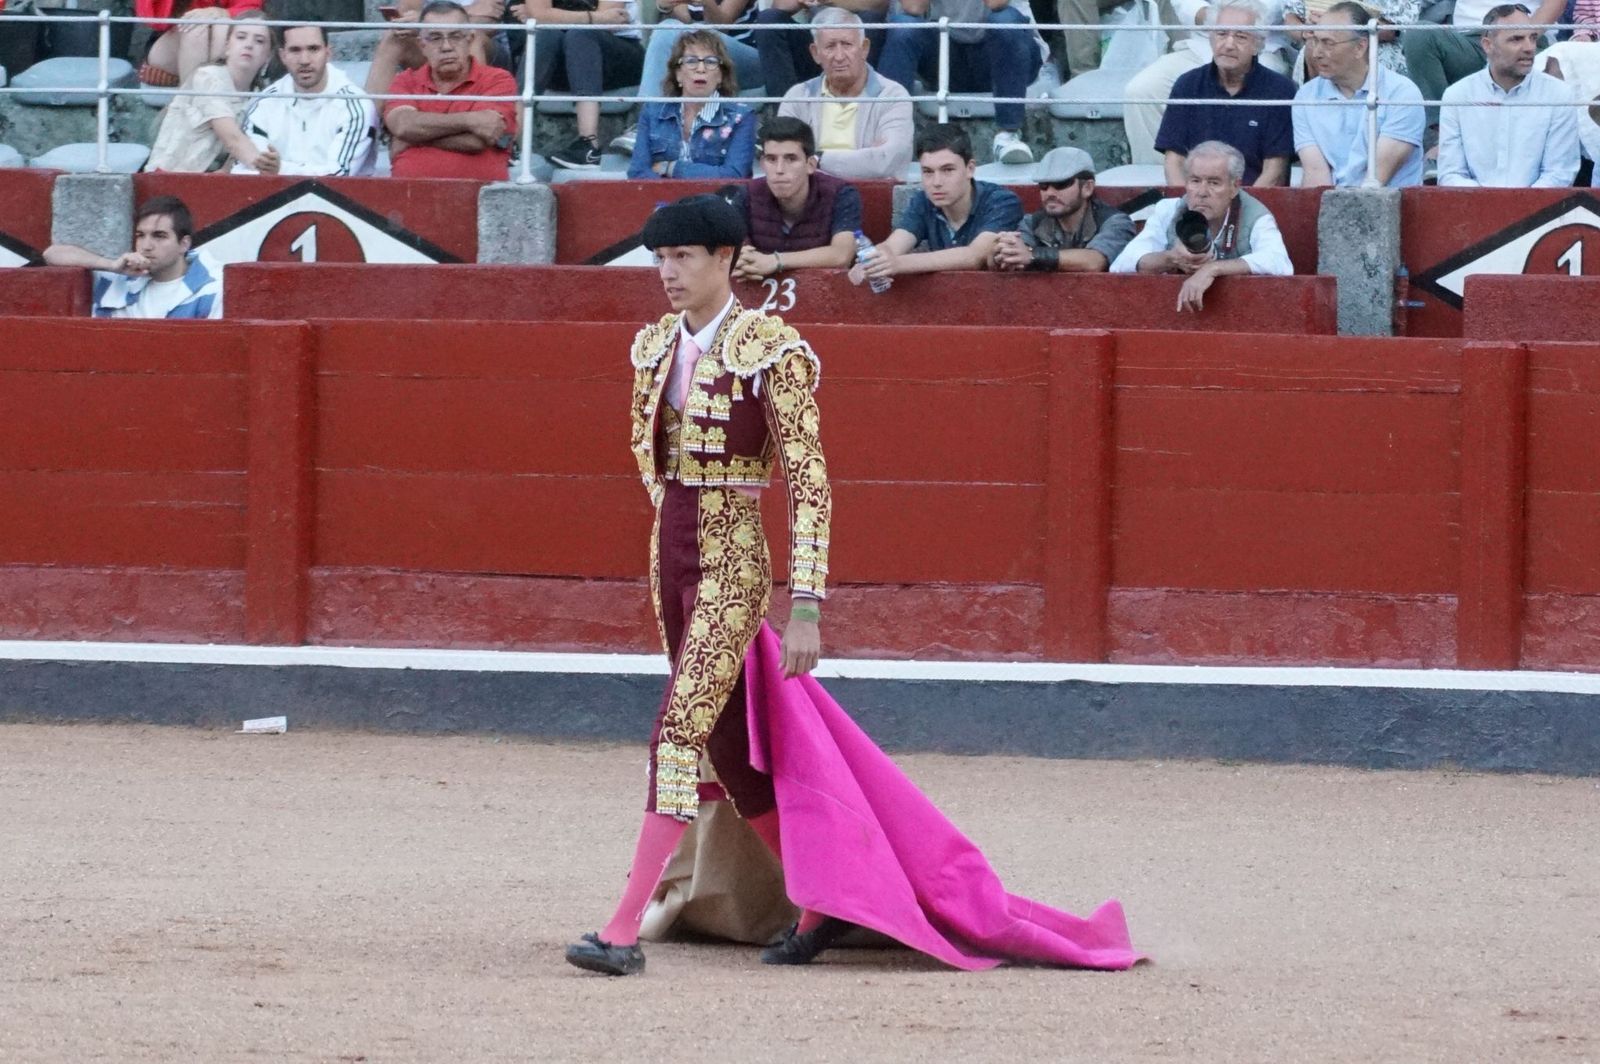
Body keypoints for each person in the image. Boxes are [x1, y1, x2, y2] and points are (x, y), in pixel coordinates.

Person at [563, 191, 1141, 977]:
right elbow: (652, 461)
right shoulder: (654, 346)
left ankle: (621, 931)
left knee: (675, 734)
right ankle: (822, 903)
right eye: (660, 258)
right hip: (669, 550)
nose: (668, 273)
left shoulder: (774, 349)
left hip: (733, 555)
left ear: (726, 260)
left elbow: (810, 484)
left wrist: (806, 605)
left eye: (684, 258)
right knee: (731, 751)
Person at [1110, 141, 1292, 312]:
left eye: (1214, 183)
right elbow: (1121, 264)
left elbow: (1280, 264)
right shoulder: (1169, 210)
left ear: (1234, 187)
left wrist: (1213, 269)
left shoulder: (1256, 215)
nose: (1202, 192)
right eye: (1195, 181)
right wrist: (1172, 258)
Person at [848, 123, 1022, 287]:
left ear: (970, 168)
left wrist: (897, 263)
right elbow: (894, 245)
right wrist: (875, 259)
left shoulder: (1002, 201)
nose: (936, 182)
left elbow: (974, 256)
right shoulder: (923, 201)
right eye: (928, 172)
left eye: (947, 170)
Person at [1123, 0, 1294, 166]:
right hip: (1203, 42)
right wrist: (1212, 16)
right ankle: (1162, 177)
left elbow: (1278, 7)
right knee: (1142, 89)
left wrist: (1235, 15)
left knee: (1267, 83)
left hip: (1261, 47)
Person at [877, 0, 1048, 165]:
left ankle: (1008, 135)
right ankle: (890, 138)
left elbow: (996, 3)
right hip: (949, 55)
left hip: (1010, 55)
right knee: (903, 26)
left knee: (1004, 20)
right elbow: (913, 6)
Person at [1437, 4, 1580, 186]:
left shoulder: (1559, 95)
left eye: (1533, 38)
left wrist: (1516, 206)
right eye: (1516, 39)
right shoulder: (1457, 96)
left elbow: (1559, 174)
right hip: (1476, 209)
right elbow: (1451, 174)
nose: (1529, 47)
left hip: (1541, 211)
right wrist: (1493, 205)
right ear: (1487, 45)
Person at [607, 0, 766, 156]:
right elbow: (686, 20)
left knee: (675, 30)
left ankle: (647, 125)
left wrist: (706, 3)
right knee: (668, 27)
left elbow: (721, 25)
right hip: (699, 55)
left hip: (745, 62)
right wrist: (665, 6)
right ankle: (648, 123)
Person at [1293, 3, 1426, 187]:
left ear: (1360, 47)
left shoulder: (1402, 94)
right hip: (1330, 206)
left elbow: (1377, 178)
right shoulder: (1305, 97)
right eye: (1315, 40)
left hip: (1390, 206)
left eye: (1328, 43)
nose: (1316, 53)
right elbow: (1316, 176)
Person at [383, 2, 520, 179]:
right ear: (422, 45)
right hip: (408, 196)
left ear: (469, 40)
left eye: (455, 36)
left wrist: (411, 138)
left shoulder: (498, 79)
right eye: (435, 38)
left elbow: (479, 140)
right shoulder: (406, 80)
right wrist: (470, 120)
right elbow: (402, 124)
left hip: (479, 196)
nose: (446, 46)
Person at [775, 8, 913, 180]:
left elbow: (886, 162)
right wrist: (866, 158)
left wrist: (817, 158)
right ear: (815, 53)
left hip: (872, 198)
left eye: (847, 45)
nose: (839, 56)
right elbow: (785, 161)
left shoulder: (893, 95)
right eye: (830, 46)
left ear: (864, 48)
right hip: (813, 199)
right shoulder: (797, 97)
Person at [1403, 0, 1565, 140]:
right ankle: (1443, 139)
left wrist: (1524, 36)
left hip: (1524, 37)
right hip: (1466, 41)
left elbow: (1556, 3)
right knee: (1419, 33)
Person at [232, 24, 380, 176]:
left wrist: (280, 169)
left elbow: (340, 175)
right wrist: (270, 169)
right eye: (295, 50)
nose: (304, 60)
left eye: (313, 49)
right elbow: (246, 168)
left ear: (328, 53)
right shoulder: (264, 103)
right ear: (283, 56)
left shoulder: (356, 105)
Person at [511, 0, 644, 169]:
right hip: (561, 55)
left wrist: (550, 15)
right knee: (544, 35)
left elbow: (609, 20)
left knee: (581, 34)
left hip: (617, 55)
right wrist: (594, 16)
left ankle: (589, 145)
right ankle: (511, 142)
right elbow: (540, 15)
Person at [44, 197, 222, 320]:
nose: (146, 246)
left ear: (184, 244)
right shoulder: (118, 278)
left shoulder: (212, 288)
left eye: (159, 236)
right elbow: (52, 254)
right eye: (140, 235)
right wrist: (110, 265)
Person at [732, 116, 862, 281]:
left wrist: (776, 261)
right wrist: (744, 258)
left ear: (811, 165)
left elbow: (841, 255)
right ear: (763, 164)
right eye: (771, 159)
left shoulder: (841, 194)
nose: (779, 169)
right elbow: (734, 254)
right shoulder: (745, 195)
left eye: (791, 159)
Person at [143, 13, 271, 173]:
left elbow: (239, 155)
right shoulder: (209, 77)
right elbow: (233, 139)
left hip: (212, 182)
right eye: (241, 37)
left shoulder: (261, 93)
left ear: (268, 56)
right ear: (227, 47)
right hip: (170, 176)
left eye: (259, 41)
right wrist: (273, 172)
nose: (249, 45)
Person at [627, 30, 758, 178]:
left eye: (710, 62)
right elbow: (637, 173)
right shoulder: (652, 112)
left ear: (721, 76)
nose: (701, 69)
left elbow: (734, 175)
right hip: (661, 200)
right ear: (678, 74)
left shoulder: (742, 117)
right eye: (691, 61)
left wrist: (672, 168)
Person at [991, 146, 1134, 272]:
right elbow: (1015, 255)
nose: (1050, 193)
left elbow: (1094, 261)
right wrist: (1003, 253)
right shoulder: (1032, 223)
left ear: (1087, 188)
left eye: (1061, 184)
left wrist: (1032, 255)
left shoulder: (1115, 222)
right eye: (1043, 186)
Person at [368, 0, 513, 95]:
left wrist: (426, 21)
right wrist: (468, 11)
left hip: (488, 47)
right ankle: (367, 125)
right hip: (432, 39)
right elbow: (406, 13)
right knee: (393, 39)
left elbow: (487, 18)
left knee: (469, 37)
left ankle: (473, 111)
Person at [754, 0, 888, 99]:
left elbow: (878, 4)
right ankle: (786, 116)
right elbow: (779, 6)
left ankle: (860, 103)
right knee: (769, 19)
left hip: (853, 43)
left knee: (871, 20)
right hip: (814, 44)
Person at [135, 0, 262, 89]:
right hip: (169, 45)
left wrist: (222, 13)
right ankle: (187, 106)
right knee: (196, 30)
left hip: (221, 40)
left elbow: (251, 9)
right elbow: (153, 18)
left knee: (222, 27)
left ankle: (215, 105)